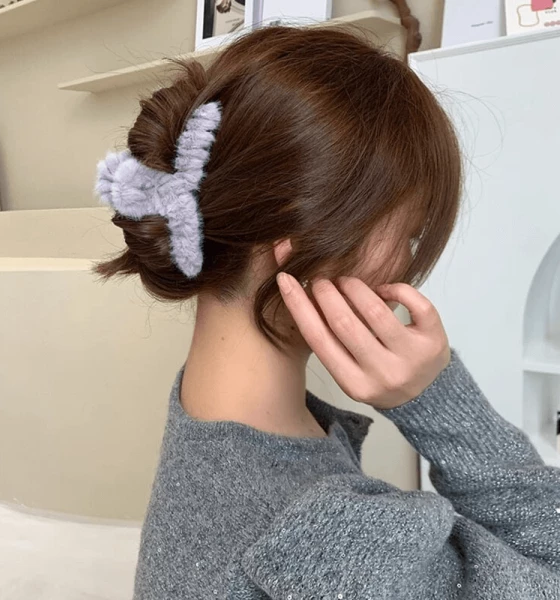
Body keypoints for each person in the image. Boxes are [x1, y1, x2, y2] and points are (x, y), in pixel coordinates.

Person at [94, 24, 560, 600]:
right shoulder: (337, 546)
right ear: (301, 242)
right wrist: (440, 402)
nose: (408, 264)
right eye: (410, 235)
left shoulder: (207, 429)